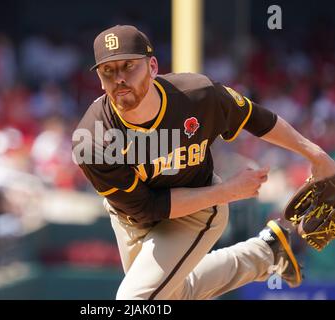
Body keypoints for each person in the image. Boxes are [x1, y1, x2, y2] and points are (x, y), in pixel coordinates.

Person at [72, 25, 335, 299]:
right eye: (108, 71)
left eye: (129, 66)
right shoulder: (92, 140)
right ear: (100, 80)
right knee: (172, 295)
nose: (120, 78)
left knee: (134, 300)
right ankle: (267, 254)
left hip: (196, 211)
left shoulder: (196, 94)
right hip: (133, 217)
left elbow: (254, 118)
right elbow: (149, 207)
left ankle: (266, 255)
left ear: (152, 66)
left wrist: (316, 156)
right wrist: (228, 192)